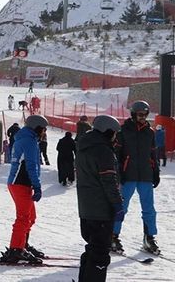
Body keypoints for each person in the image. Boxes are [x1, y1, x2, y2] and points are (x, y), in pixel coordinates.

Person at [76, 115, 124, 282]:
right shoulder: (103, 151)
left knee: (92, 249)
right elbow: (109, 182)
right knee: (100, 254)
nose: (115, 137)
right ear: (108, 131)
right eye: (114, 133)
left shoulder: (85, 146)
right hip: (101, 211)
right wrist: (118, 205)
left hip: (86, 209)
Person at [112, 101, 160, 255]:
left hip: (145, 175)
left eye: (146, 114)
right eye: (140, 114)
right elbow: (116, 155)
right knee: (121, 208)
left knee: (149, 209)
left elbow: (153, 154)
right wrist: (119, 173)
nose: (143, 118)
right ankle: (113, 235)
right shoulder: (123, 131)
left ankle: (149, 237)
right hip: (128, 175)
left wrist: (156, 172)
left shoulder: (150, 132)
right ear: (133, 114)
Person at [0, 115, 48, 264]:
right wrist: (37, 185)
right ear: (37, 128)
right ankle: (16, 249)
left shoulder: (25, 138)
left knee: (31, 216)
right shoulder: (29, 142)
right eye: (43, 129)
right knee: (23, 217)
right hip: (21, 183)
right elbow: (31, 165)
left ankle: (22, 244)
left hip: (19, 182)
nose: (44, 132)